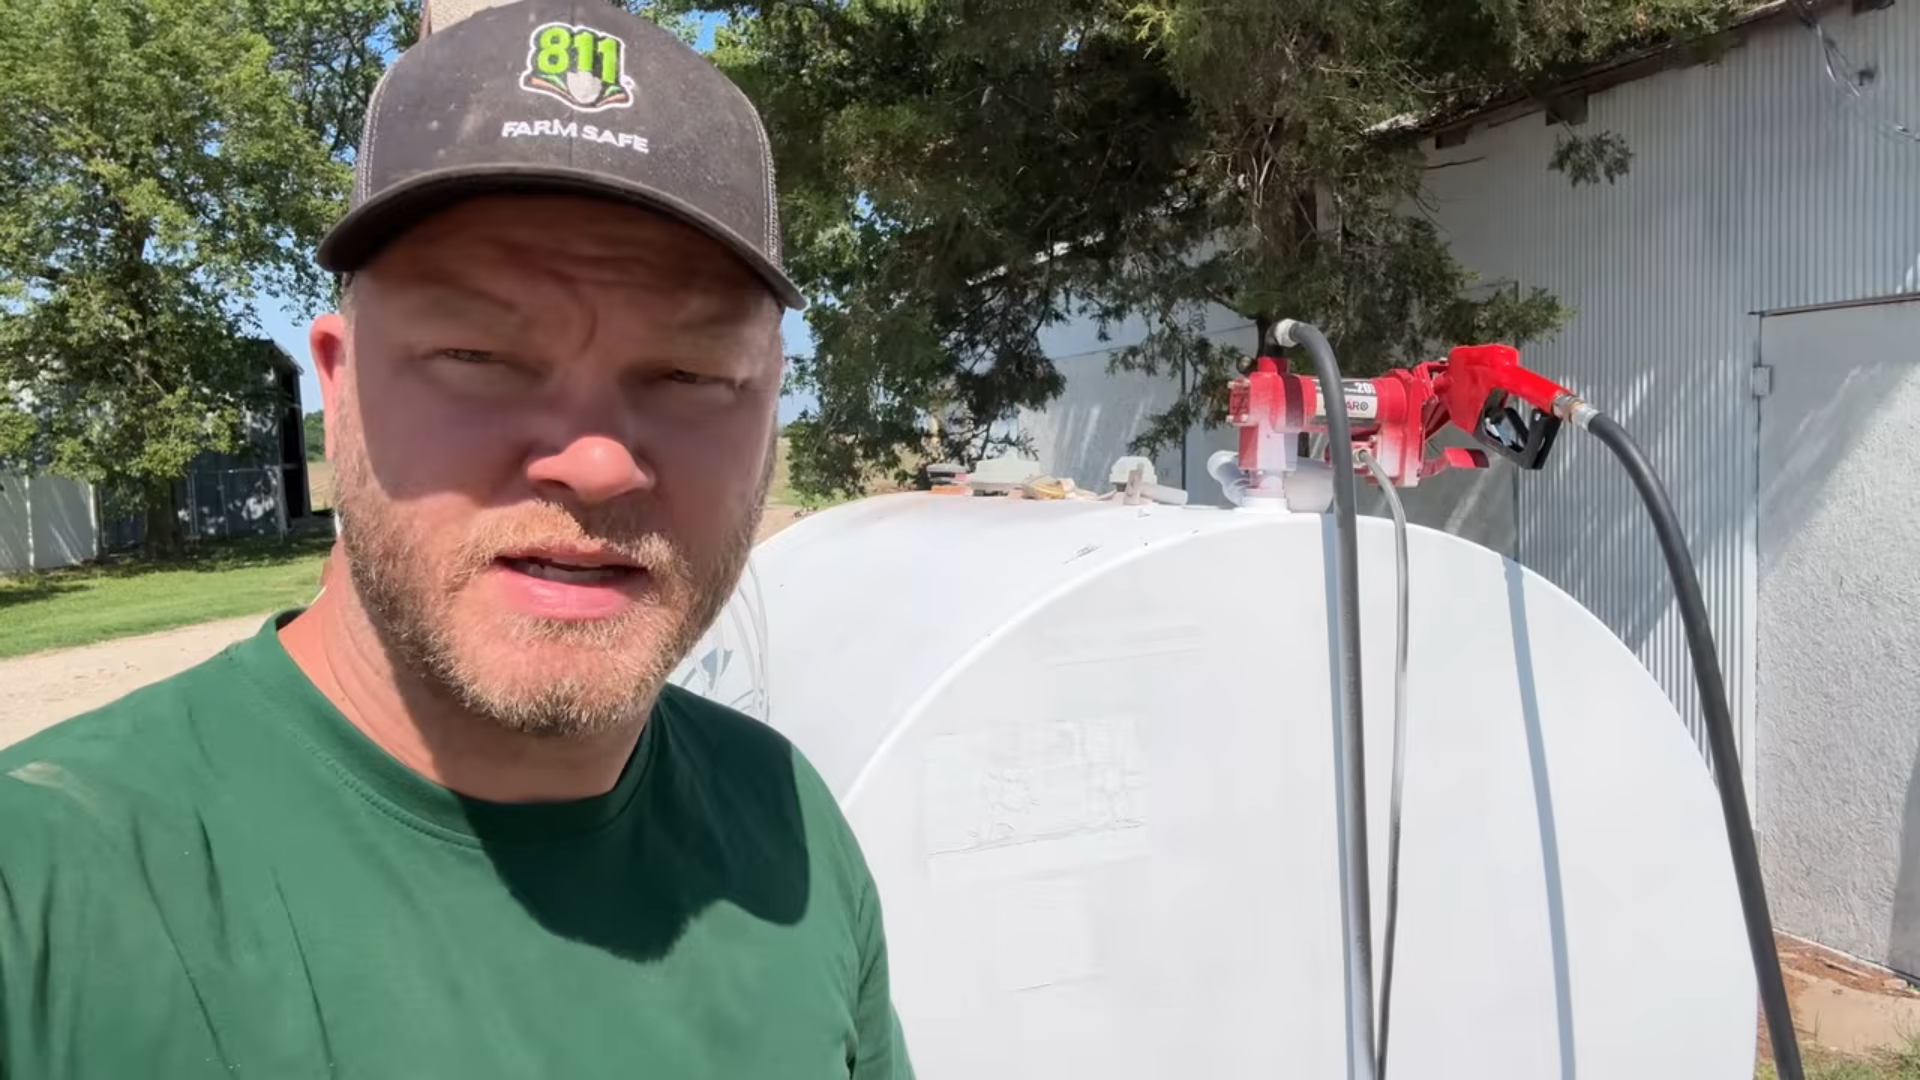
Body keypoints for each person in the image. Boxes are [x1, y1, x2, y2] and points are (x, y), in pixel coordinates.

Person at [0, 2, 914, 1077]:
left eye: (692, 374)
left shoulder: (783, 821)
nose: (598, 461)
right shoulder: (45, 893)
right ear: (337, 390)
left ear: (769, 417)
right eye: (478, 353)